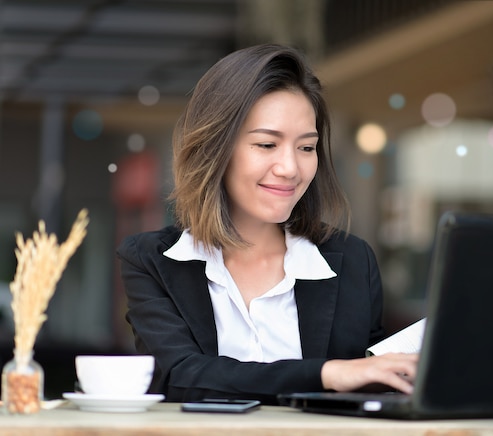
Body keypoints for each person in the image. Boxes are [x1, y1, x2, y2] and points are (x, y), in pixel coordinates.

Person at [117, 43, 418, 404]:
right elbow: (180, 376)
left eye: (306, 148)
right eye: (266, 144)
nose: (290, 168)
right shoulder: (152, 260)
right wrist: (329, 373)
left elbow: (371, 384)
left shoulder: (352, 260)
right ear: (216, 148)